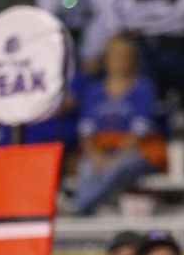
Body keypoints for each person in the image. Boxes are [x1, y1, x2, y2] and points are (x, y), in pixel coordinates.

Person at [72, 35, 167, 215]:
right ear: (106, 60)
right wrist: (96, 155)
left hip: (137, 149)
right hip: (101, 149)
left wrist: (116, 157)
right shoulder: (94, 90)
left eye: (124, 56)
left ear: (133, 60)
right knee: (87, 166)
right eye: (114, 56)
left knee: (119, 167)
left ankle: (81, 207)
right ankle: (86, 206)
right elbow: (86, 131)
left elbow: (140, 130)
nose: (119, 62)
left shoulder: (143, 88)